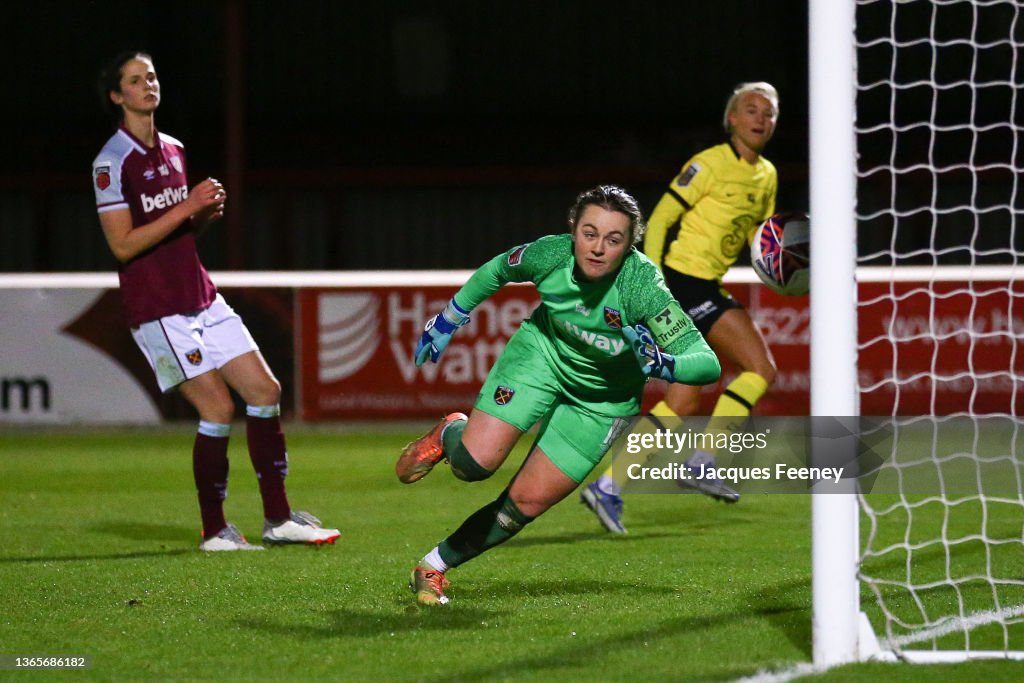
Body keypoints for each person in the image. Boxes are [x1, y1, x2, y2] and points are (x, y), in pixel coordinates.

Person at [395, 185, 721, 605]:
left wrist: (665, 364)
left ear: (629, 245)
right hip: (541, 357)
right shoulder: (550, 255)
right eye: (589, 233)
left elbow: (706, 362)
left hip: (602, 402)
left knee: (524, 504)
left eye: (613, 239)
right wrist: (450, 317)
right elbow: (498, 269)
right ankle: (449, 435)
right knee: (473, 465)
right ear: (573, 230)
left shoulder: (642, 287)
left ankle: (433, 567)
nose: (598, 248)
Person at [92, 51, 339, 551]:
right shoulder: (110, 162)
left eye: (153, 76)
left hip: (200, 294)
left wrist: (203, 215)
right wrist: (188, 205)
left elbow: (176, 230)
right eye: (136, 80)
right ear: (118, 96)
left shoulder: (175, 149)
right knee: (217, 408)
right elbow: (122, 245)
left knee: (266, 392)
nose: (149, 85)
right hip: (157, 308)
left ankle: (278, 519)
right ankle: (214, 530)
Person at [581, 82, 781, 534]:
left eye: (769, 114)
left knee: (684, 397)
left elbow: (761, 244)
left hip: (705, 282)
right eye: (751, 110)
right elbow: (663, 218)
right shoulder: (707, 164)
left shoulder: (767, 174)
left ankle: (607, 487)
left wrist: (785, 272)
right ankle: (702, 462)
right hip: (682, 281)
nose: (760, 119)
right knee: (760, 369)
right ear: (731, 119)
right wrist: (648, 282)